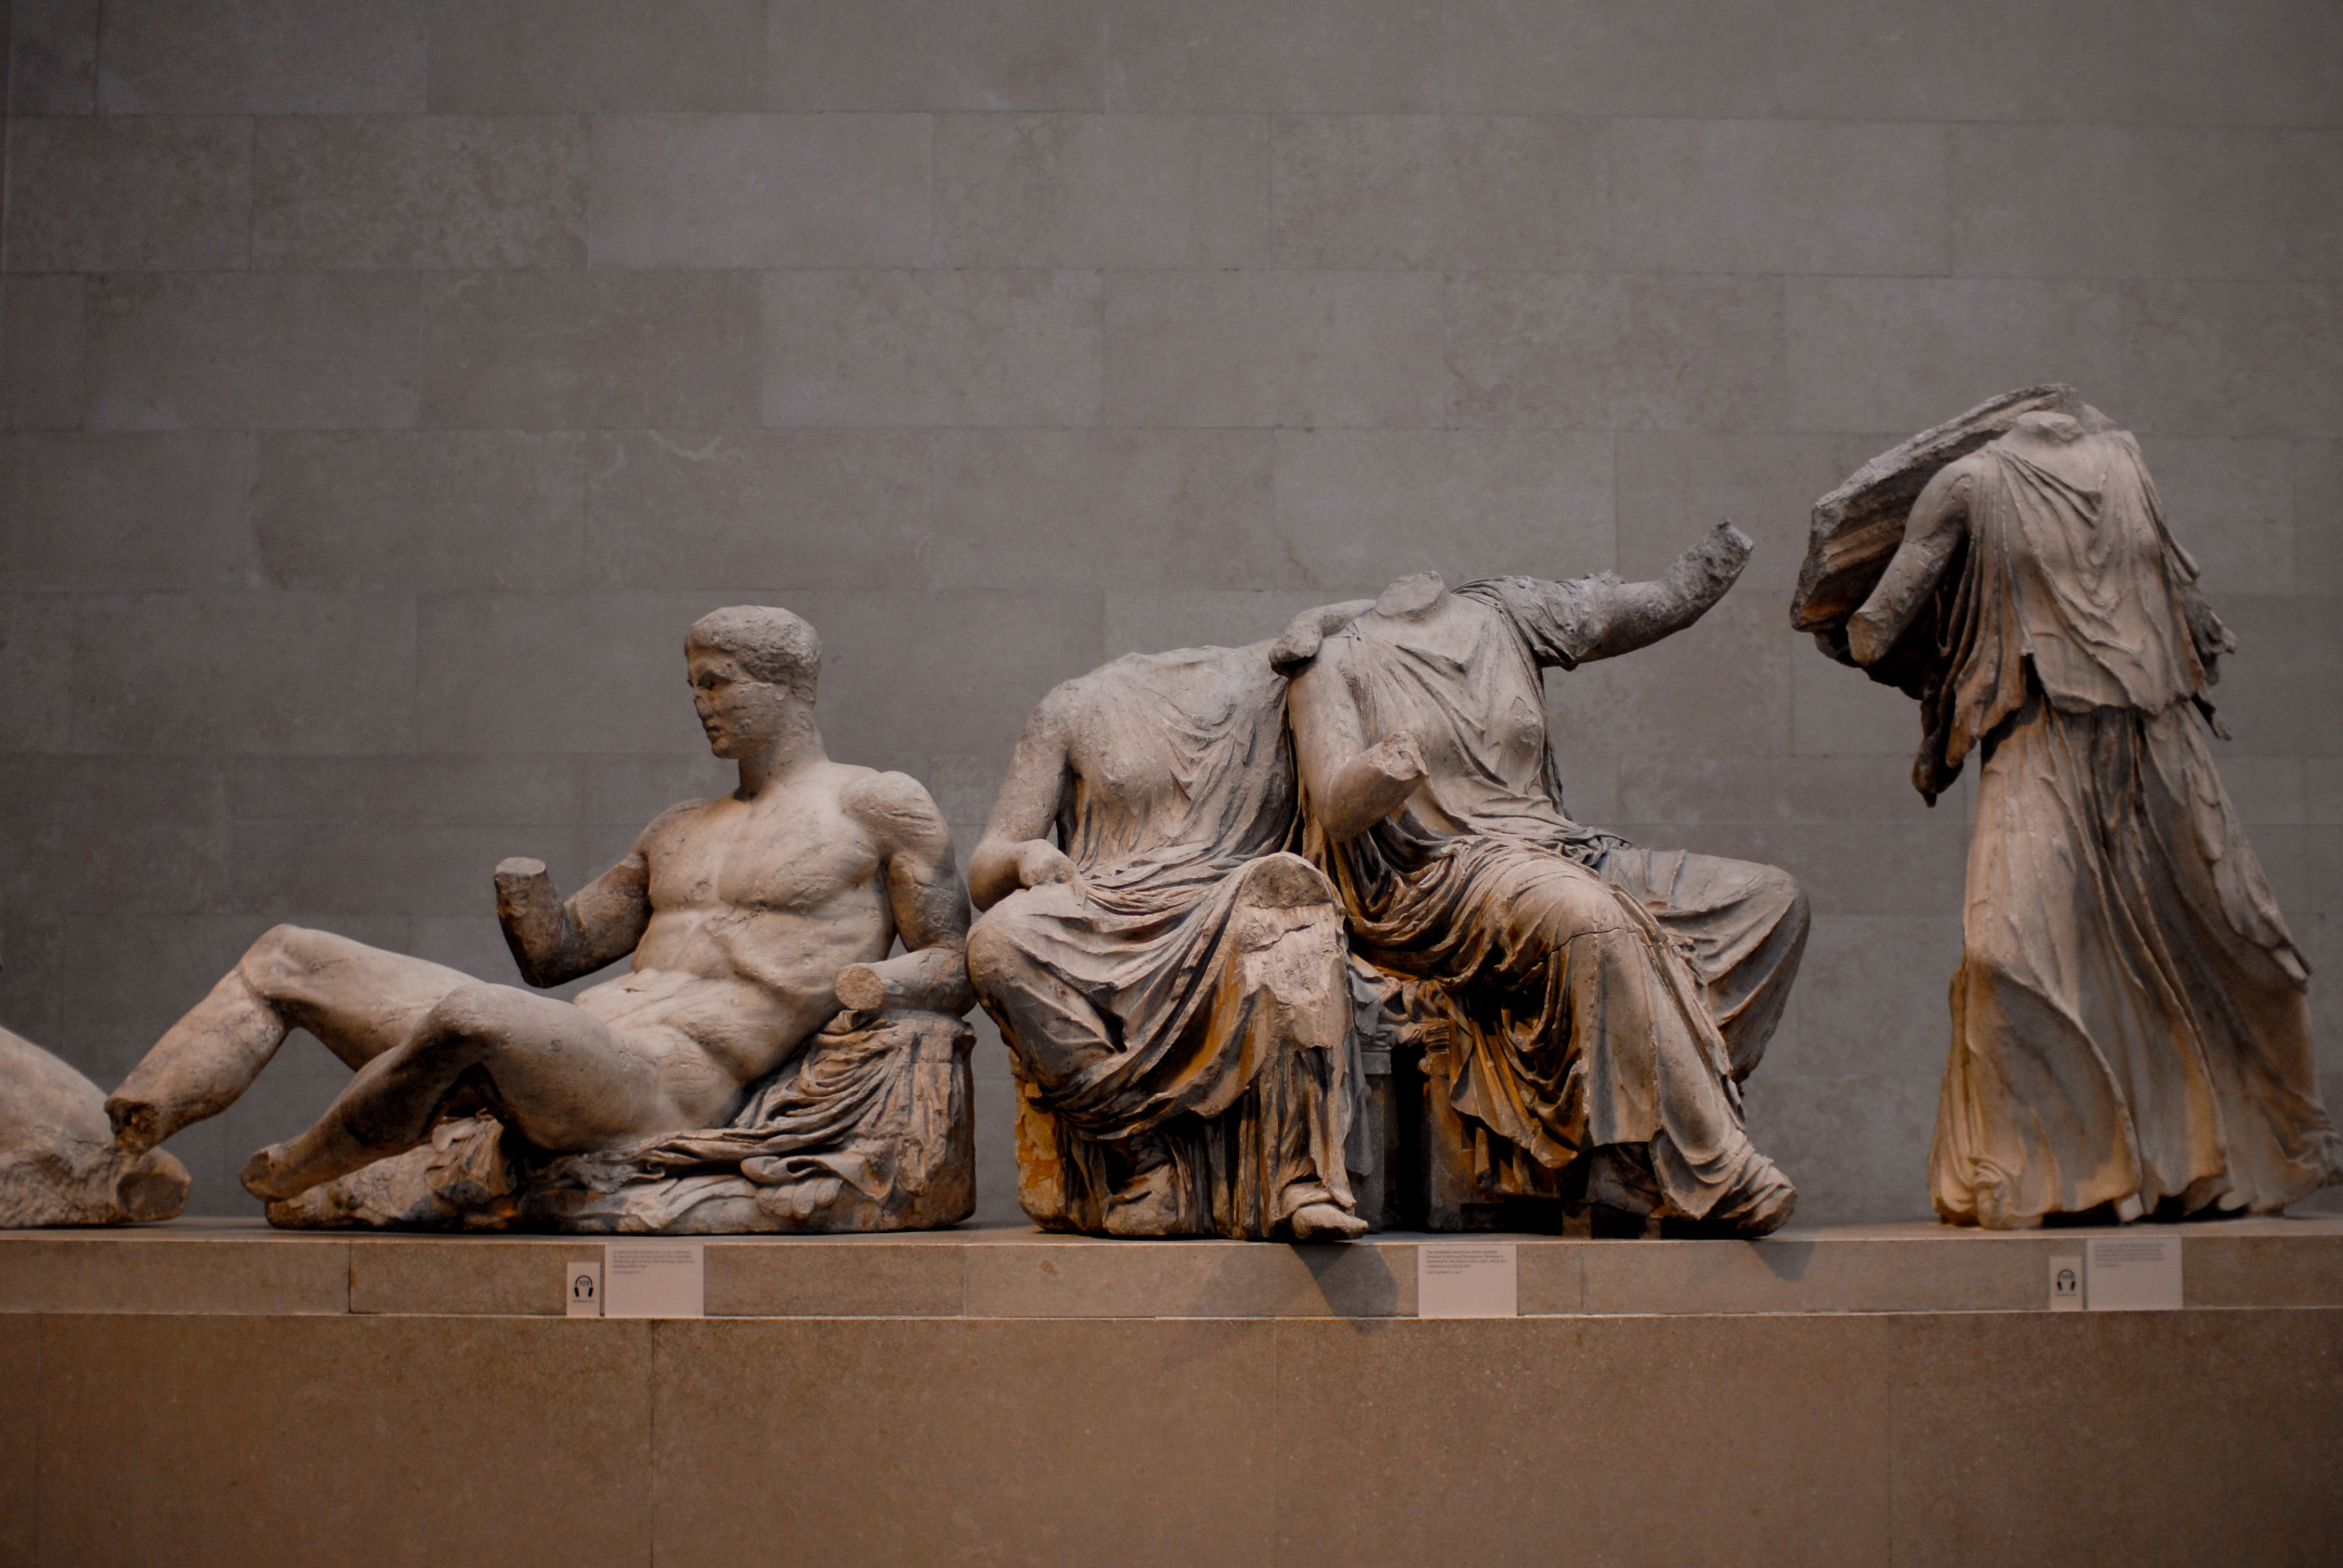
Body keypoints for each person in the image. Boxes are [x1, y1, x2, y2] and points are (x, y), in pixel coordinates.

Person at [107, 606, 974, 1207]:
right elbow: (557, 955)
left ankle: (307, 1164)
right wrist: (525, 894)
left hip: (666, 1082)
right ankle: (124, 1131)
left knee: (474, 1016)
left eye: (718, 684)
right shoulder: (677, 828)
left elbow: (951, 960)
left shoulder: (876, 804)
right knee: (289, 953)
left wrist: (874, 985)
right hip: (571, 1043)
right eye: (692, 686)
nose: (699, 705)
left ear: (785, 686)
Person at [1847, 409, 2340, 1227]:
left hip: (2159, 741)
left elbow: (2187, 609)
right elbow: (1873, 629)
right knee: (2004, 954)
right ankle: (2044, 1172)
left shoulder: (2126, 464)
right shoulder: (1968, 484)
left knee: (2241, 941)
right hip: (2040, 735)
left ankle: (2221, 1156)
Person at [1283, 525, 1806, 1235]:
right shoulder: (1331, 661)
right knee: (1589, 918)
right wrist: (1385, 768)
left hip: (1555, 847)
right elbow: (1336, 807)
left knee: (1769, 900)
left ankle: (1639, 1143)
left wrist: (1721, 554)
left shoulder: (1507, 613)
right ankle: (1711, 1164)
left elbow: (1665, 601)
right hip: (1437, 874)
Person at [967, 616, 1370, 1241]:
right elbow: (987, 862)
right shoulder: (1073, 706)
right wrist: (1024, 856)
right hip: (1102, 909)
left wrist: (1316, 623)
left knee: (1291, 914)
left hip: (1231, 900)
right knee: (997, 942)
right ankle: (1141, 1156)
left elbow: (1382, 613)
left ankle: (1299, 1178)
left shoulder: (1286, 685)